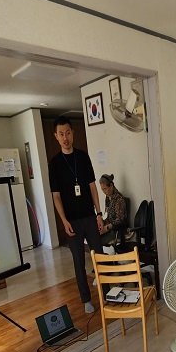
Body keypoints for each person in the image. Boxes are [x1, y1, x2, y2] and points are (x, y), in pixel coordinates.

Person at [49, 116, 105, 314]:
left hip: (89, 217)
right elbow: (56, 196)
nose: (65, 138)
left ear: (72, 134)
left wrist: (99, 214)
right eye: (61, 134)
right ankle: (86, 299)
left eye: (68, 133)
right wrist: (64, 221)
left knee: (100, 256)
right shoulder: (54, 164)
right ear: (56, 136)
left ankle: (107, 294)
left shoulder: (83, 157)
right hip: (71, 221)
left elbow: (92, 187)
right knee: (79, 261)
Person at [98, 174, 127, 247]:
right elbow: (107, 215)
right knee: (92, 235)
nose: (104, 192)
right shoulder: (108, 198)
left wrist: (107, 228)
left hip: (117, 230)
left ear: (111, 186)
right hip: (109, 228)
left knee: (96, 241)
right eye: (102, 190)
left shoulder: (119, 199)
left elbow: (120, 220)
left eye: (105, 189)